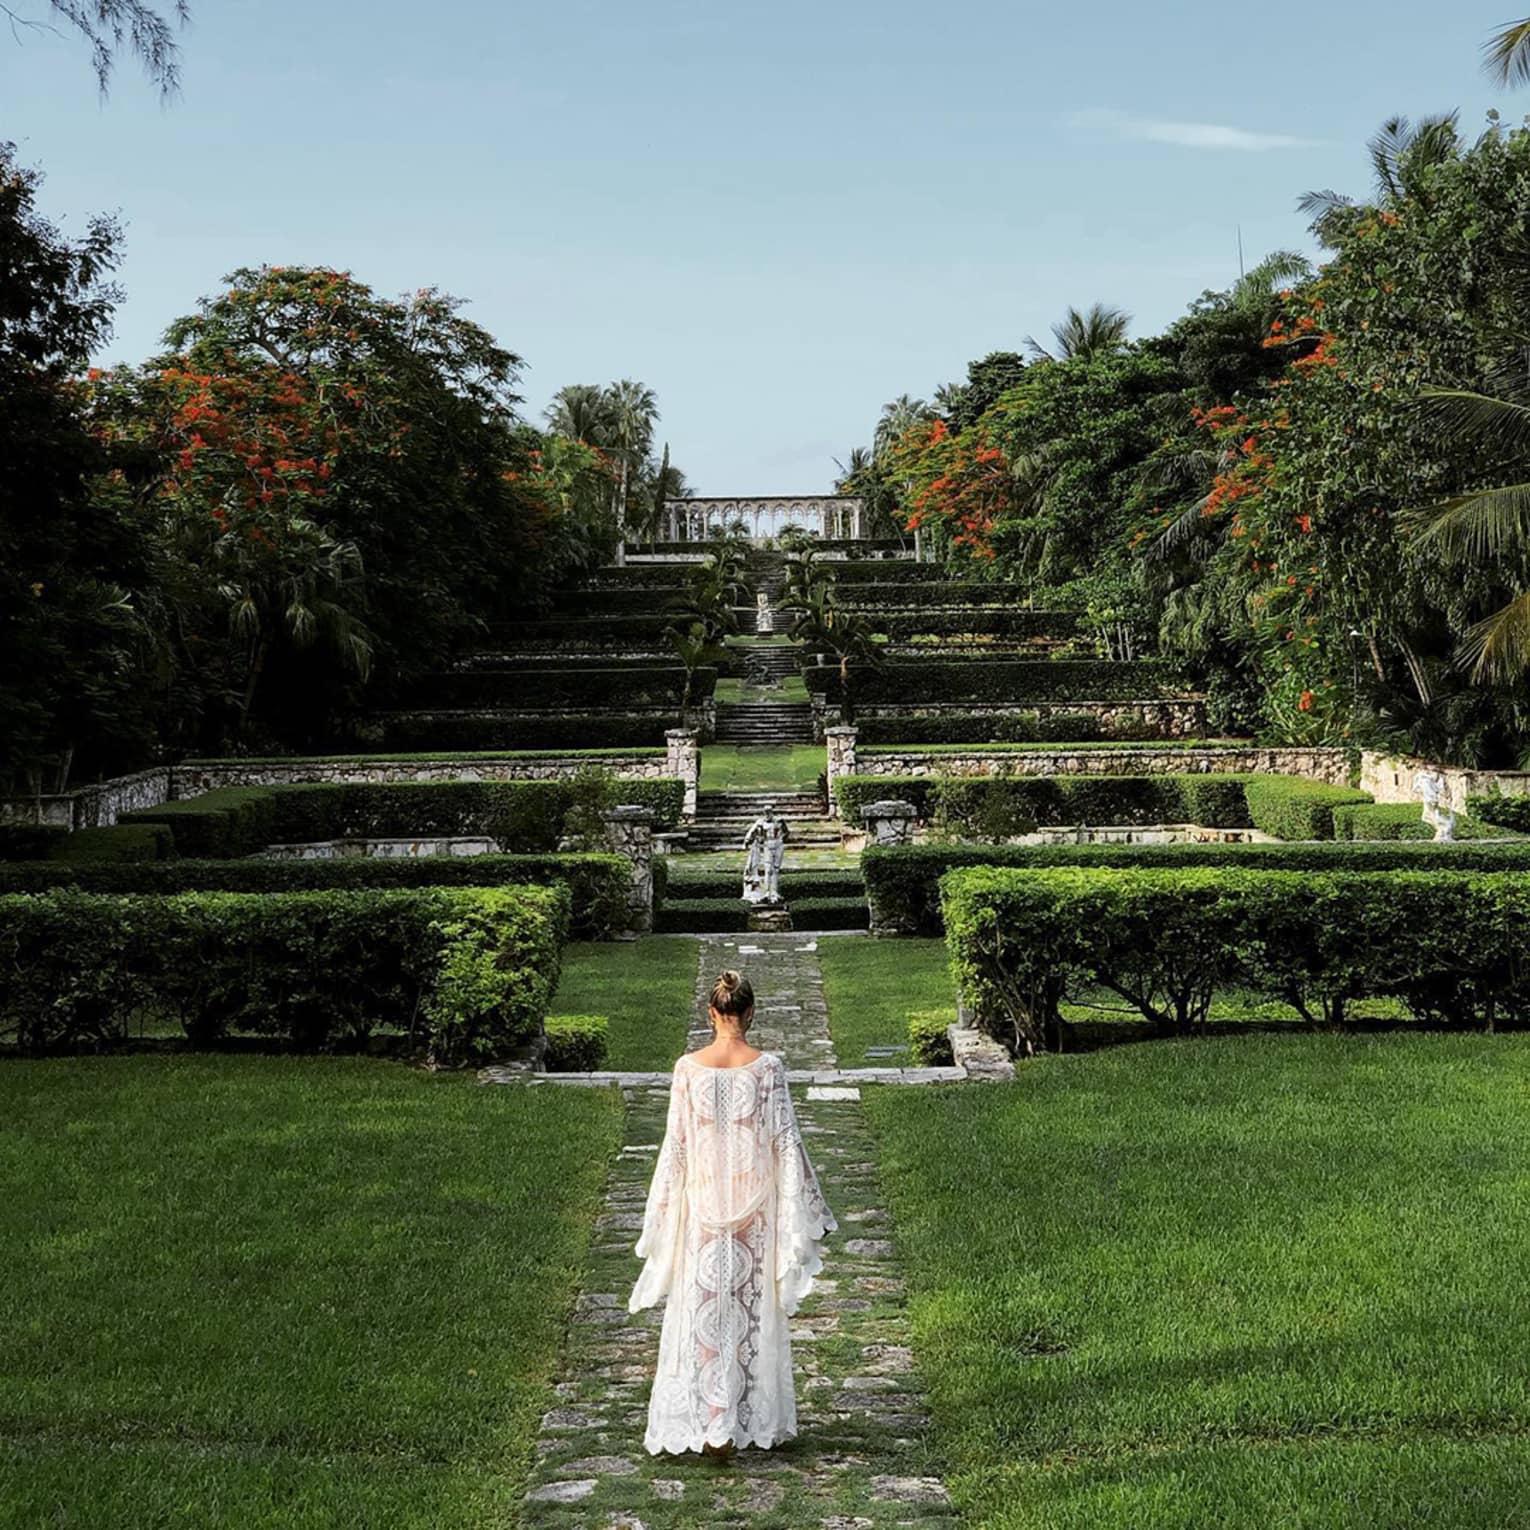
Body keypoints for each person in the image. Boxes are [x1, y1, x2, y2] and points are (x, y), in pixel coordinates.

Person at [628, 969, 837, 1458]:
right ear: (750, 1013)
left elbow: (675, 1148)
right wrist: (808, 1208)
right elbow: (786, 1142)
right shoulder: (768, 1068)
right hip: (753, 1207)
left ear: (711, 1014)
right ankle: (739, 1418)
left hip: (700, 1205)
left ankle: (712, 1423)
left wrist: (660, 1212)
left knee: (703, 1309)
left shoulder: (687, 1068)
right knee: (748, 1313)